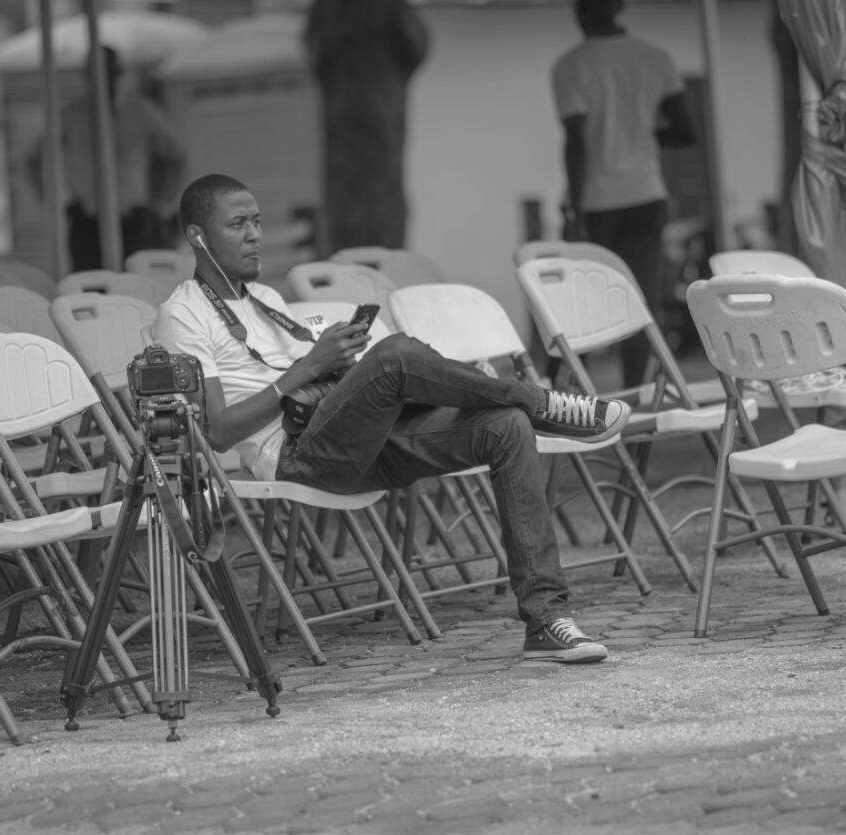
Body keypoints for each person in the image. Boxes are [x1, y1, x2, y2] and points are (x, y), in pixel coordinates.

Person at [155, 173, 635, 664]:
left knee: (505, 427)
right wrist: (311, 366)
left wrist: (339, 364)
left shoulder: (267, 302)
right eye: (237, 224)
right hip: (298, 456)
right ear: (198, 237)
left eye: (256, 221)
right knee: (395, 356)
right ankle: (543, 403)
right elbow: (214, 432)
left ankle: (546, 621)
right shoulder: (183, 315)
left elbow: (318, 384)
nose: (254, 234)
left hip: (356, 437)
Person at [552, 0, 696, 388]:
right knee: (640, 300)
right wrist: (644, 136)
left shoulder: (571, 66)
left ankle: (567, 394)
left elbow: (577, 142)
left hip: (597, 202)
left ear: (579, 13)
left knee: (576, 302)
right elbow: (686, 131)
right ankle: (634, 395)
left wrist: (576, 210)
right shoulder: (655, 58)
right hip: (647, 194)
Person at [32, 45, 187, 272]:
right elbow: (34, 159)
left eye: (108, 72)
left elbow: (176, 156)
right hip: (87, 220)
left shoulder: (139, 111)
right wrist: (51, 200)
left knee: (137, 289)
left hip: (133, 218)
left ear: (118, 74)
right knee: (89, 289)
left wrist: (163, 203)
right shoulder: (72, 115)